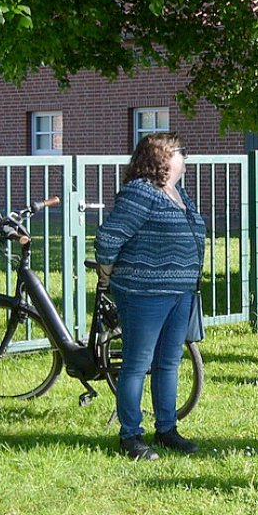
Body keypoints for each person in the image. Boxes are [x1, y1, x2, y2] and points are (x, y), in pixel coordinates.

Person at [93, 132, 206, 460]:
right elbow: (110, 236)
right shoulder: (141, 193)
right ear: (163, 157)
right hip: (144, 293)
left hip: (180, 291)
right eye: (180, 152)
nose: (185, 157)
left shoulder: (178, 192)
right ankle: (130, 436)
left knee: (169, 363)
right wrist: (107, 273)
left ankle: (167, 430)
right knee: (137, 364)